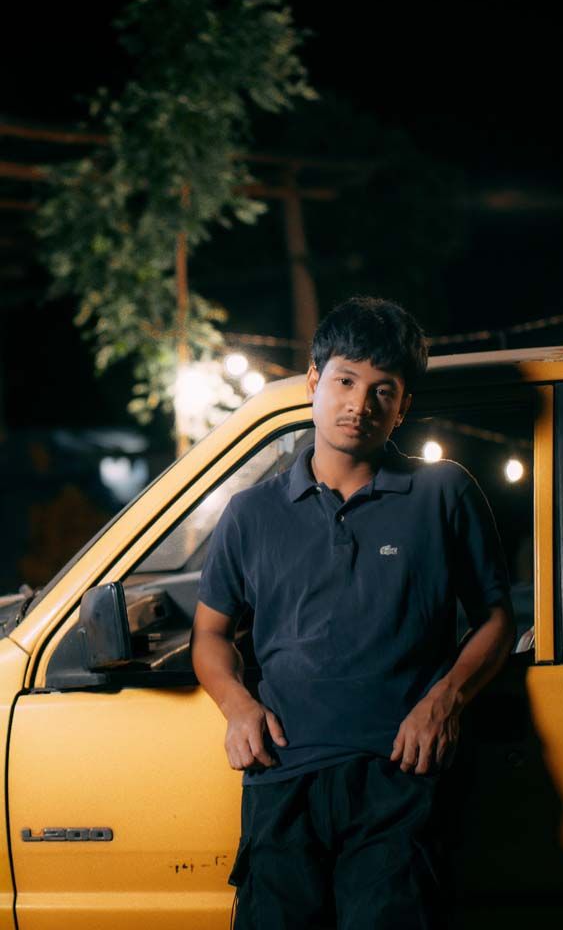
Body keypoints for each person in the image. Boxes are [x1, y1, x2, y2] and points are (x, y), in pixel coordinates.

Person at [191, 296, 515, 929]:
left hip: (399, 779)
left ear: (403, 406)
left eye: (381, 390)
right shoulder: (251, 513)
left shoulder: (442, 493)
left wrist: (446, 699)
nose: (359, 404)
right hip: (281, 776)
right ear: (314, 380)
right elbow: (210, 631)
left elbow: (496, 619)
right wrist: (236, 705)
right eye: (345, 381)